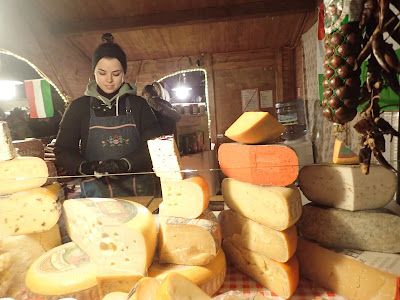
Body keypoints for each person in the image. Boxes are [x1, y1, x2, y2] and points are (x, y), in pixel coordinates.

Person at [54, 33, 162, 197]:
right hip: (96, 192)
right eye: (102, 73)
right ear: (94, 72)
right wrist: (84, 166)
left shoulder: (139, 105)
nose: (109, 80)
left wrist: (125, 164)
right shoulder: (78, 108)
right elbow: (63, 150)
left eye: (116, 73)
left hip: (139, 190)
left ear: (124, 73)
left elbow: (155, 147)